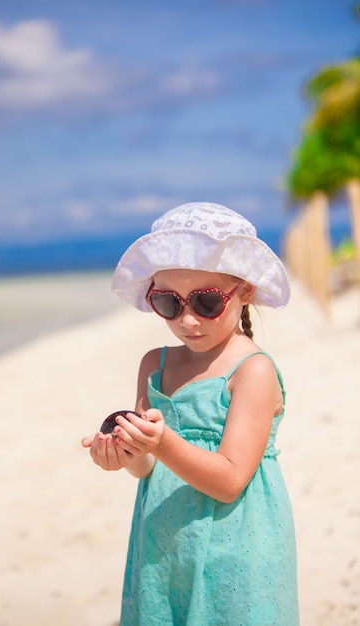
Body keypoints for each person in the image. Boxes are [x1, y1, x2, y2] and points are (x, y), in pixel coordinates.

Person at [82, 202, 299, 626]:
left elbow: (231, 481)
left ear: (245, 291)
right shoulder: (154, 364)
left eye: (205, 301)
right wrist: (122, 453)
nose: (187, 320)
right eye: (168, 302)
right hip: (164, 546)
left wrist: (163, 442)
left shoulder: (253, 370)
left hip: (236, 546)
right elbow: (145, 467)